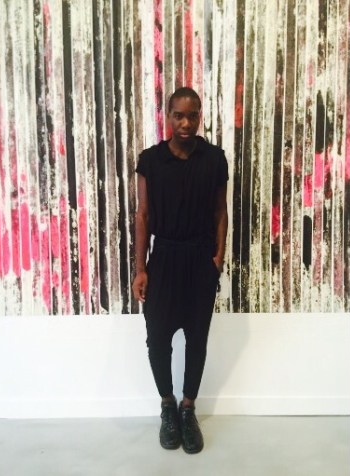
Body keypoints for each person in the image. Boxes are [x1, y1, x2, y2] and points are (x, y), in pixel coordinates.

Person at [132, 87, 228, 454]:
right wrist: (140, 268)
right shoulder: (151, 161)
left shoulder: (214, 159)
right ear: (168, 116)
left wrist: (217, 259)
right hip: (164, 259)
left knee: (196, 340)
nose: (186, 123)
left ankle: (188, 409)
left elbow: (220, 212)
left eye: (193, 115)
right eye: (179, 115)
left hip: (200, 260)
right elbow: (143, 215)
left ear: (200, 115)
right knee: (157, 340)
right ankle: (167, 406)